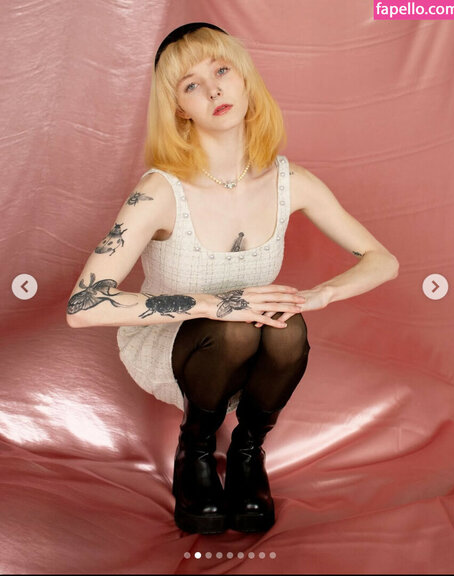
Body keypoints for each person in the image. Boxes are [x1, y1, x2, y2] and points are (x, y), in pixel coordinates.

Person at [66, 22, 399, 535]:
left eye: (222, 70)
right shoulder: (159, 191)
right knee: (235, 328)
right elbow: (82, 306)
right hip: (168, 345)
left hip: (254, 343)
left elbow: (383, 260)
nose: (213, 89)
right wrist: (216, 305)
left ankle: (247, 451)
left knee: (288, 326)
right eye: (191, 84)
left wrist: (318, 295)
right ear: (181, 108)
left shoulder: (290, 181)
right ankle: (195, 449)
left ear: (244, 79)